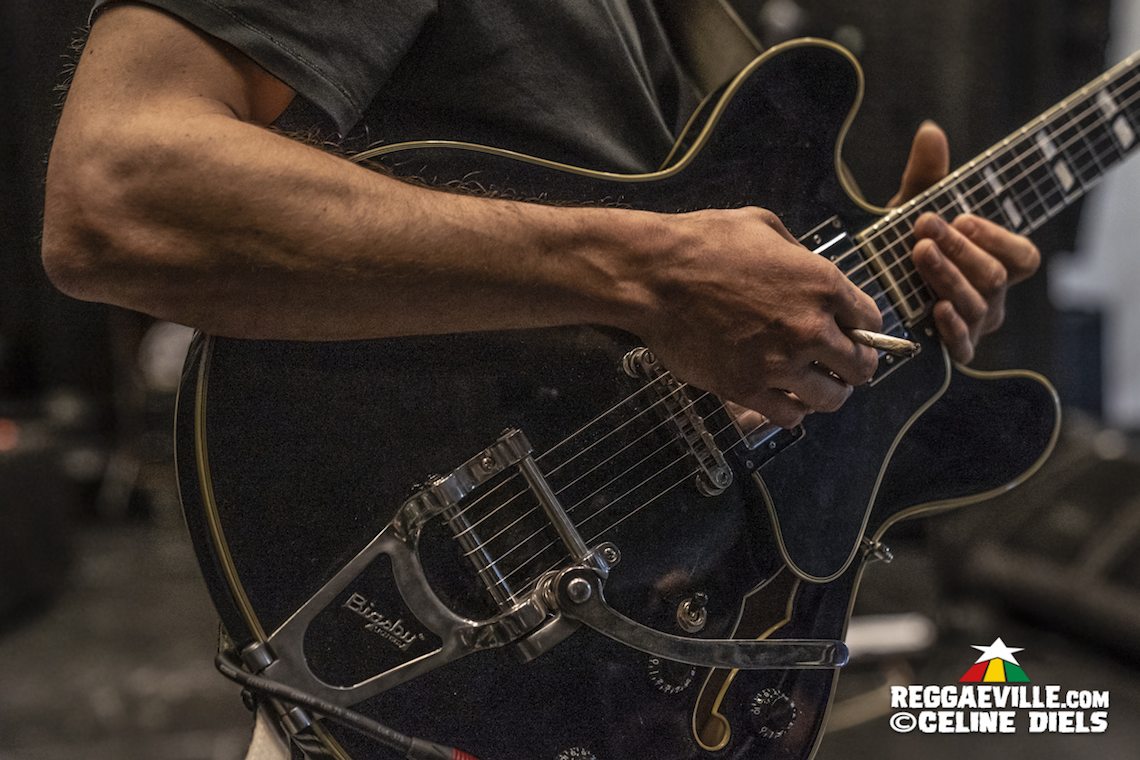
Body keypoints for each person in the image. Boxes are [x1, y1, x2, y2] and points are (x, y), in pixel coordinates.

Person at [41, 1, 1040, 757]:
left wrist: (856, 305)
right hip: (443, 620)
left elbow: (664, 298)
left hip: (628, 654)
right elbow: (118, 193)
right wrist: (651, 275)